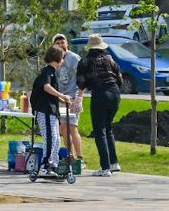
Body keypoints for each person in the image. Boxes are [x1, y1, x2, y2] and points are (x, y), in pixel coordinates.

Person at [77, 34, 122, 177]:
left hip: (100, 94)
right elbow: (119, 77)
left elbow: (81, 83)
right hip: (115, 93)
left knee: (99, 130)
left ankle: (105, 167)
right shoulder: (110, 59)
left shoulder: (85, 61)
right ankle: (114, 163)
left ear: (90, 48)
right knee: (108, 128)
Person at [30, 46, 69, 173]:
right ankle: (45, 165)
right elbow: (46, 87)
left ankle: (53, 163)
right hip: (44, 110)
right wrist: (61, 95)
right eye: (62, 58)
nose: (63, 60)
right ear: (57, 59)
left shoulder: (52, 72)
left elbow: (50, 93)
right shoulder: (47, 72)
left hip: (52, 111)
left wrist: (62, 100)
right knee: (50, 138)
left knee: (56, 138)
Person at [52, 34, 83, 165]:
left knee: (73, 127)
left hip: (73, 97)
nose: (60, 45)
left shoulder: (73, 58)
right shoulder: (55, 59)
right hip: (61, 98)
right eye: (57, 43)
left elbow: (81, 78)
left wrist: (79, 97)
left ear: (67, 44)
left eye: (62, 42)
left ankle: (80, 158)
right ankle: (70, 156)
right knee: (63, 128)